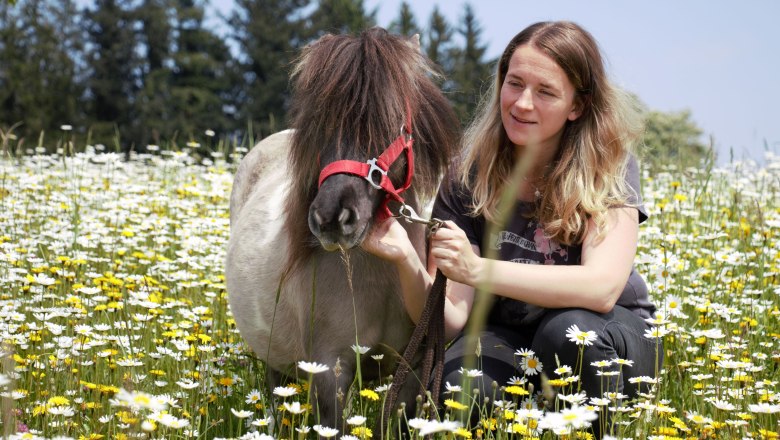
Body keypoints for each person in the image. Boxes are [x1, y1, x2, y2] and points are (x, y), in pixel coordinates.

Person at [362, 21, 662, 435]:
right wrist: (405, 259)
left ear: (577, 105)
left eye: (545, 92)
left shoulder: (608, 164)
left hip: (609, 333)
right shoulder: (467, 173)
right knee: (461, 387)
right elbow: (449, 319)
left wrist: (479, 269)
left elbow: (602, 286)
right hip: (509, 334)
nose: (522, 104)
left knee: (566, 336)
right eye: (514, 83)